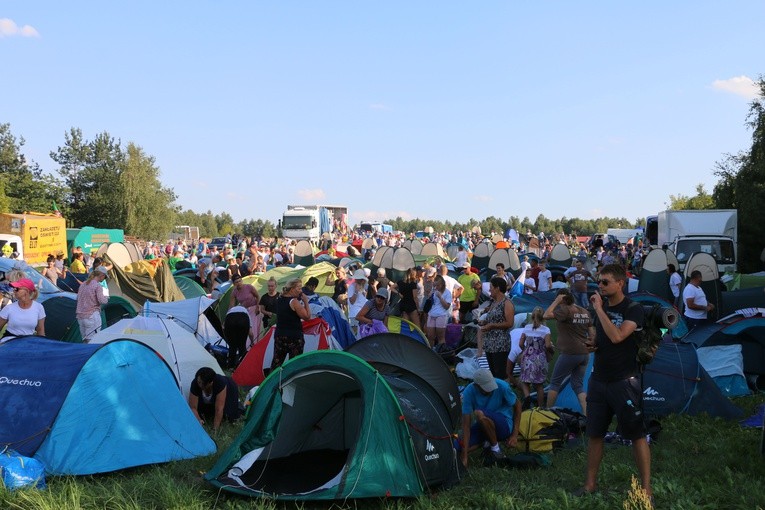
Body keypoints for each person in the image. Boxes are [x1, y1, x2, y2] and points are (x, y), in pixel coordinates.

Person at [578, 264, 650, 499]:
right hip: (599, 379)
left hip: (624, 381)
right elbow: (604, 337)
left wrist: (599, 309)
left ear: (620, 283)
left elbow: (619, 336)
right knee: (595, 433)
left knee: (636, 434)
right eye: (599, 282)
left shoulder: (633, 309)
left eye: (605, 282)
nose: (600, 286)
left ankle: (646, 488)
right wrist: (594, 344)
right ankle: (590, 484)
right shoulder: (604, 308)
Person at [544, 289, 594, 414]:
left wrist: (556, 301)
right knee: (577, 385)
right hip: (584, 354)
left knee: (555, 382)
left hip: (570, 353)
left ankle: (547, 413)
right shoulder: (585, 311)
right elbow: (591, 333)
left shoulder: (565, 309)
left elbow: (546, 315)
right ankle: (586, 413)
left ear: (563, 299)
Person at [459, 368, 521, 467]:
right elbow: (466, 426)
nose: (491, 390)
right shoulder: (468, 392)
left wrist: (514, 435)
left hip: (503, 423)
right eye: (486, 388)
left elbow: (518, 406)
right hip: (483, 424)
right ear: (476, 386)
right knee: (457, 446)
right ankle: (487, 441)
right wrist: (464, 456)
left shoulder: (502, 386)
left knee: (480, 413)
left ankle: (496, 450)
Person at [476, 277, 515, 379]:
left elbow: (509, 323)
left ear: (497, 288)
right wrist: (485, 322)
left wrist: (492, 325)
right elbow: (494, 320)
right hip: (490, 343)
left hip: (500, 344)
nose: (489, 290)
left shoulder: (507, 303)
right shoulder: (493, 303)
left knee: (500, 373)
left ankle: (502, 392)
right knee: (493, 373)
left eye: (491, 287)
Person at [271, 278, 311, 370]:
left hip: (280, 335)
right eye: (299, 288)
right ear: (292, 289)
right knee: (294, 365)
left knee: (277, 363)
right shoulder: (293, 301)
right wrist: (306, 301)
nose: (301, 291)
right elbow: (307, 316)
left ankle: (272, 381)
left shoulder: (279, 299)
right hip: (294, 336)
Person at [188, 367, 241, 433]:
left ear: (210, 383)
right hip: (208, 401)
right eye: (198, 382)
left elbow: (219, 408)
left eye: (202, 383)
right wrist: (198, 420)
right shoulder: (195, 384)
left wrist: (215, 429)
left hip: (229, 389)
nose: (199, 385)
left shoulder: (220, 383)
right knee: (203, 413)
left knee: (229, 415)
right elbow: (193, 407)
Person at [518, 307, 552, 408]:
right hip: (539, 359)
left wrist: (526, 350)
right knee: (539, 385)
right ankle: (540, 407)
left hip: (527, 357)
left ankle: (527, 397)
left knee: (525, 381)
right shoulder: (546, 330)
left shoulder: (527, 327)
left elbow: (520, 344)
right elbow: (548, 345)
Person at [75, 266, 109, 342]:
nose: (104, 279)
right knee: (93, 340)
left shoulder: (83, 284)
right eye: (105, 277)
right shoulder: (97, 286)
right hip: (91, 316)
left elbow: (77, 298)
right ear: (102, 275)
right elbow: (102, 301)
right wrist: (106, 298)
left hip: (80, 316)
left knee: (85, 340)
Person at [229, 274, 261, 343]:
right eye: (236, 282)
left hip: (254, 309)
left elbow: (258, 296)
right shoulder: (234, 292)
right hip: (245, 311)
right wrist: (229, 315)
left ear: (242, 280)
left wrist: (258, 307)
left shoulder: (249, 287)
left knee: (254, 329)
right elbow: (231, 305)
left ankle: (255, 343)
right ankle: (249, 345)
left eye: (240, 281)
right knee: (247, 329)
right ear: (234, 284)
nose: (239, 283)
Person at [425, 275, 452, 346]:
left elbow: (447, 307)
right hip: (432, 314)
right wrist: (430, 295)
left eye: (438, 285)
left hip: (441, 315)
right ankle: (431, 351)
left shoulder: (447, 293)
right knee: (430, 336)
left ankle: (441, 351)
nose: (436, 287)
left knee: (440, 337)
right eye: (435, 285)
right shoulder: (434, 290)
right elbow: (429, 301)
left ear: (442, 284)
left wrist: (440, 297)